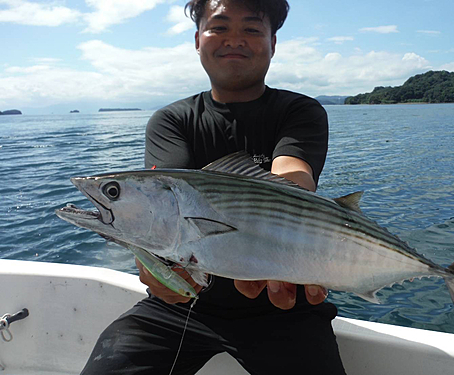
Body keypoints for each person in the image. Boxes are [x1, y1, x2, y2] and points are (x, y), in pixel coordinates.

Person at [81, 0, 346, 374]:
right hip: (179, 304)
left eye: (252, 29)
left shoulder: (299, 111)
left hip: (284, 301)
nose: (234, 40)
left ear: (274, 42)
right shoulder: (172, 120)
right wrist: (152, 266)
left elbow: (293, 175)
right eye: (219, 27)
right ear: (197, 39)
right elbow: (160, 205)